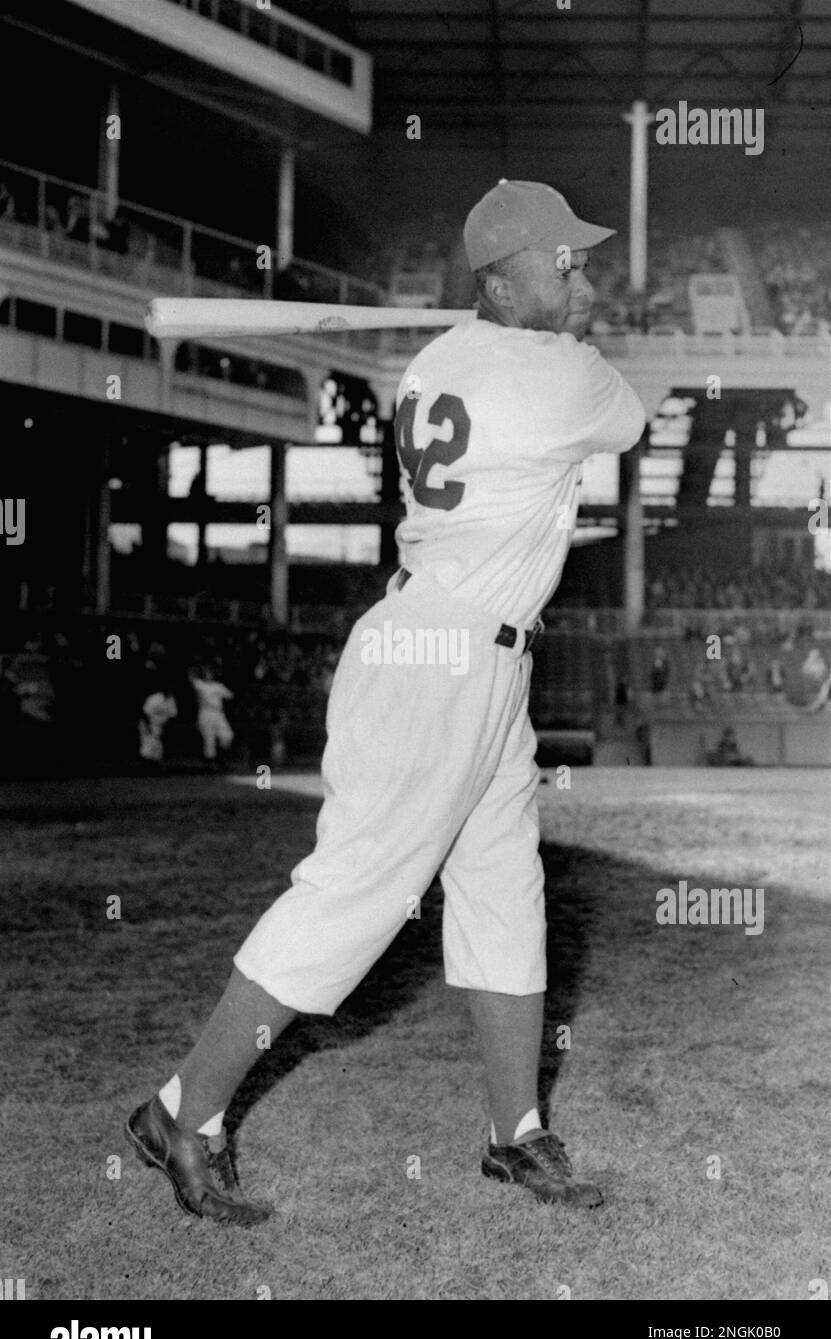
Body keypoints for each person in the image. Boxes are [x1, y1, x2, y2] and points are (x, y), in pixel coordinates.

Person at [126, 179, 645, 1225]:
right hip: (443, 659)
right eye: (561, 257)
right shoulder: (567, 374)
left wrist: (504, 321)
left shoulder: (437, 358)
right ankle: (186, 1110)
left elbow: (516, 373)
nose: (578, 269)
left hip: (471, 655)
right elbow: (628, 423)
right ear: (503, 280)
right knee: (353, 894)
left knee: (504, 892)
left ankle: (516, 1133)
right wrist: (532, 335)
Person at [190, 665, 234, 762]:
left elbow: (230, 695)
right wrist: (194, 669)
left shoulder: (218, 686)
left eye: (210, 673)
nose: (208, 675)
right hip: (205, 712)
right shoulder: (200, 684)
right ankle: (210, 764)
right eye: (206, 673)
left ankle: (221, 757)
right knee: (209, 739)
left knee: (227, 736)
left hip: (218, 713)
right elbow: (191, 679)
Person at [138, 687, 178, 764]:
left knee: (157, 746)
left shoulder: (170, 699)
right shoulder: (155, 698)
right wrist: (148, 727)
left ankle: (153, 765)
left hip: (159, 725)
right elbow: (145, 713)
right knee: (148, 743)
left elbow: (173, 715)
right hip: (147, 723)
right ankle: (144, 763)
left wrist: (165, 727)